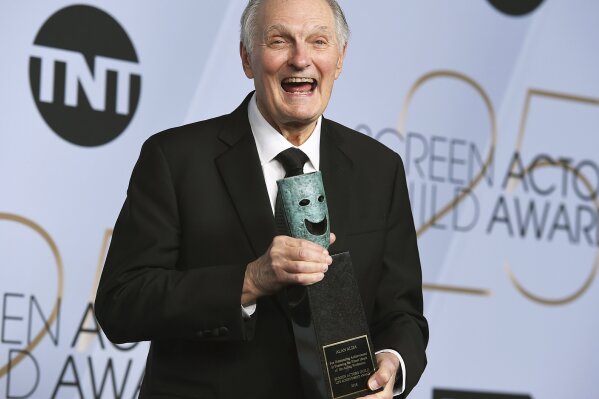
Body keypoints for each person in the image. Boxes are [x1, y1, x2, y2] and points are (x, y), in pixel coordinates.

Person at [94, 0, 428, 397]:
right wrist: (249, 279)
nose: (300, 59)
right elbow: (122, 302)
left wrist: (392, 363)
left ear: (339, 59)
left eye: (318, 41)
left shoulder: (379, 168)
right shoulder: (175, 158)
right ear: (246, 58)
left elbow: (402, 313)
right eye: (279, 41)